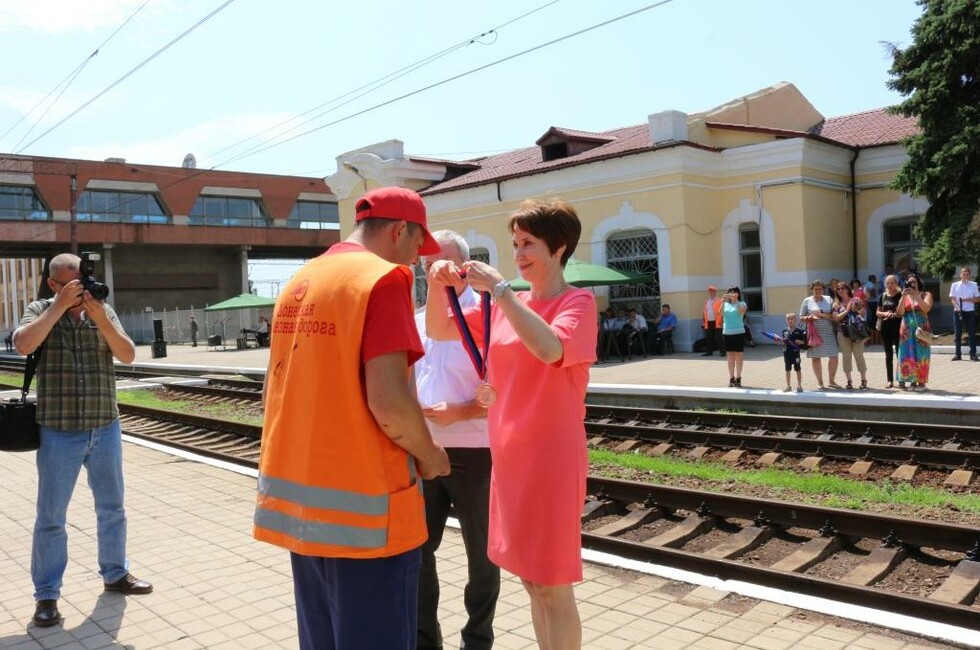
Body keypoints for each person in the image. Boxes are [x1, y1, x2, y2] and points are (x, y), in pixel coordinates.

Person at [253, 186, 451, 650]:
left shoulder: (302, 280)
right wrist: (430, 455)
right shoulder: (382, 280)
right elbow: (390, 402)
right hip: (368, 515)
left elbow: (272, 389)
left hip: (304, 510)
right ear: (400, 230)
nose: (413, 262)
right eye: (416, 247)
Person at [426, 198, 597, 650]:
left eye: (529, 244)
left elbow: (550, 350)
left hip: (551, 460)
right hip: (509, 459)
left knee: (553, 585)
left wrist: (500, 288)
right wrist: (434, 284)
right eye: (515, 243)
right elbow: (441, 330)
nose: (519, 254)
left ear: (559, 248)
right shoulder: (509, 303)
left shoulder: (576, 302)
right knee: (530, 582)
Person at [13, 253, 151, 630]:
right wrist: (58, 307)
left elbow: (127, 355)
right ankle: (46, 596)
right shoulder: (41, 307)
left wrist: (102, 316)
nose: (81, 289)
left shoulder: (102, 310)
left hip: (105, 427)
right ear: (55, 284)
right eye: (72, 283)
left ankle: (115, 573)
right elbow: (23, 344)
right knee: (51, 518)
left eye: (84, 282)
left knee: (112, 509)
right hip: (59, 431)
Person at [414, 230, 500, 650]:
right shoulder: (416, 319)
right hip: (424, 449)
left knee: (482, 556)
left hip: (475, 451)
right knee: (417, 551)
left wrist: (463, 411)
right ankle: (425, 640)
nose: (435, 269)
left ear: (465, 265)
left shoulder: (487, 313)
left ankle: (477, 639)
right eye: (428, 263)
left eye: (443, 261)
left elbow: (505, 390)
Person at [799, 279, 841, 390]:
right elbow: (801, 317)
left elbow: (834, 317)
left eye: (820, 289)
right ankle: (820, 382)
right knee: (816, 358)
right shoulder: (807, 301)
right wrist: (807, 317)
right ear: (812, 290)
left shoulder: (829, 299)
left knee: (834, 356)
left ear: (823, 289)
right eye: (815, 289)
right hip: (814, 334)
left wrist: (821, 315)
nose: (818, 291)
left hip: (828, 333)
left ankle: (831, 381)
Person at [896, 270, 933, 390]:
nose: (912, 284)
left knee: (921, 354)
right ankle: (912, 380)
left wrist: (916, 296)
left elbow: (926, 308)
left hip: (921, 329)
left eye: (914, 282)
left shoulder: (925, 294)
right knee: (907, 354)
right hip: (906, 331)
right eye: (909, 282)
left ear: (918, 283)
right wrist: (903, 297)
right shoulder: (905, 296)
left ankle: (921, 382)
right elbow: (899, 312)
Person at [832, 283, 869, 390]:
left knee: (859, 355)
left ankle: (863, 380)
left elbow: (862, 313)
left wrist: (857, 309)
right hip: (842, 333)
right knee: (846, 357)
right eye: (838, 289)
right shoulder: (836, 304)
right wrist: (847, 310)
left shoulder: (855, 299)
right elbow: (836, 318)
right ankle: (849, 381)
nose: (840, 290)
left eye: (842, 288)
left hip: (856, 331)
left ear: (847, 289)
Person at [876, 274, 903, 388]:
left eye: (892, 283)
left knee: (899, 353)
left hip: (898, 326)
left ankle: (901, 379)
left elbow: (902, 312)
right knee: (888, 354)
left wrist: (892, 315)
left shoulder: (901, 295)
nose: (890, 285)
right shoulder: (882, 296)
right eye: (887, 283)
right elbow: (877, 312)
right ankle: (890, 380)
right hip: (886, 327)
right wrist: (884, 314)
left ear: (896, 284)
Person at [949, 266, 979, 361]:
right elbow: (952, 299)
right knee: (958, 334)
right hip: (958, 312)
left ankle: (973, 355)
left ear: (969, 275)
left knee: (971, 333)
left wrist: (967, 300)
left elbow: (978, 299)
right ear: (960, 275)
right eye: (963, 274)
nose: (965, 276)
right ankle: (958, 355)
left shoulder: (974, 285)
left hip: (970, 312)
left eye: (967, 274)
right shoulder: (954, 285)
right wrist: (958, 309)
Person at [721, 287, 747, 386]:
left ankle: (738, 377)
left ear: (738, 294)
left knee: (739, 355)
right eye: (730, 293)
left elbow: (741, 312)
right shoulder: (726, 304)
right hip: (727, 333)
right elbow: (720, 314)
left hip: (739, 332)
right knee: (730, 356)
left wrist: (736, 301)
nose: (732, 294)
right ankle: (731, 378)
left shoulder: (742, 303)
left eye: (734, 292)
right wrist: (723, 301)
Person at [774, 312, 805, 392]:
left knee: (798, 369)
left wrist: (800, 342)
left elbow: (805, 342)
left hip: (795, 353)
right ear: (786, 320)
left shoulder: (800, 331)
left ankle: (799, 385)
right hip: (786, 353)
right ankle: (788, 386)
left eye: (792, 319)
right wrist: (779, 341)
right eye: (788, 319)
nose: (790, 321)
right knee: (787, 369)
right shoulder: (784, 330)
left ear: (795, 320)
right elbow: (784, 341)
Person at [701, 286, 723, 356]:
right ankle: (709, 352)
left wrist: (722, 321)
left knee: (719, 338)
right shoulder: (707, 301)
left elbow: (722, 311)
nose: (711, 292)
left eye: (712, 291)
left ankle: (722, 352)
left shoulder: (719, 300)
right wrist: (703, 321)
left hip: (717, 322)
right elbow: (704, 312)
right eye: (710, 291)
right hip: (708, 322)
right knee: (709, 338)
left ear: (715, 292)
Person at [864, 274, 879, 344]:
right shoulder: (870, 284)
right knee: (873, 320)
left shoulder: (866, 284)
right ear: (872, 279)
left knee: (871, 320)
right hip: (872, 303)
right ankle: (874, 340)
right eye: (875, 278)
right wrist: (873, 296)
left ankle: (872, 340)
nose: (876, 280)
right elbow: (872, 290)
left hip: (870, 303)